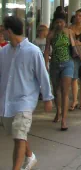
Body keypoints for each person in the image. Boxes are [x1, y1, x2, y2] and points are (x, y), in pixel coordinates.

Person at [0, 16, 53, 170]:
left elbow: (42, 75)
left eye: (3, 29)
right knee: (19, 136)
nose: (1, 32)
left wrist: (48, 97)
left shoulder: (32, 51)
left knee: (19, 137)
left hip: (25, 101)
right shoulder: (4, 52)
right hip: (8, 101)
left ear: (9, 31)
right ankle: (30, 156)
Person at [44, 12, 81, 130]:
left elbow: (76, 48)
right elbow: (47, 50)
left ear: (65, 23)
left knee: (65, 91)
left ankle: (64, 120)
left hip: (68, 63)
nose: (59, 24)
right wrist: (45, 64)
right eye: (57, 22)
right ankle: (58, 111)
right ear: (54, 23)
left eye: (61, 22)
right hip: (55, 64)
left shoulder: (69, 33)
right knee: (56, 90)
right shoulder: (51, 35)